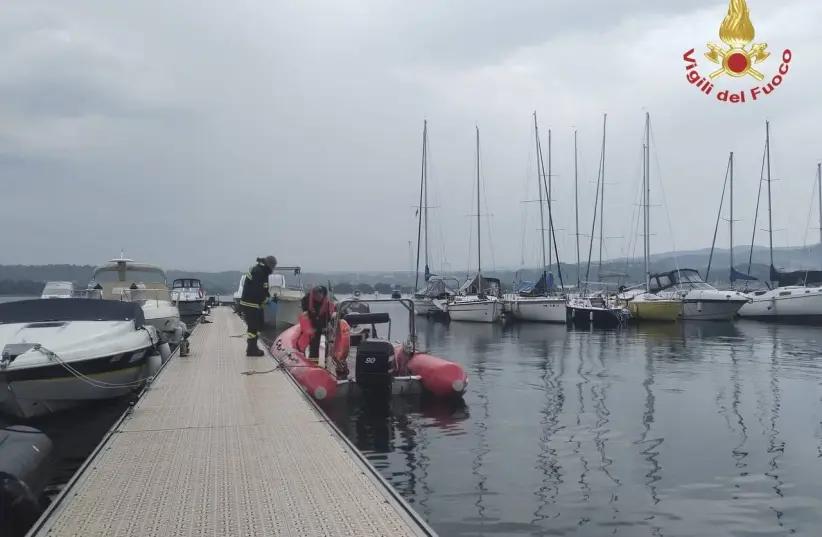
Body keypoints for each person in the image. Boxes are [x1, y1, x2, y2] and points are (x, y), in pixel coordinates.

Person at [239, 255, 277, 356]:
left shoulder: (262, 271)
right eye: (273, 267)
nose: (273, 269)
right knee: (253, 327)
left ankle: (253, 347)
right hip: (250, 303)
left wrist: (269, 297)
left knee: (258, 326)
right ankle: (251, 349)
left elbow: (263, 288)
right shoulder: (259, 272)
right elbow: (257, 291)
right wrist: (266, 300)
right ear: (269, 265)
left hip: (255, 303)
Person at [300, 286, 334, 359]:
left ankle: (324, 360)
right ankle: (311, 360)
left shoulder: (327, 302)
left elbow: (330, 316)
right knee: (313, 347)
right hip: (312, 328)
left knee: (324, 346)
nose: (318, 297)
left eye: (320, 294)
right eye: (316, 295)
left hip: (323, 328)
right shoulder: (307, 300)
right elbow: (305, 313)